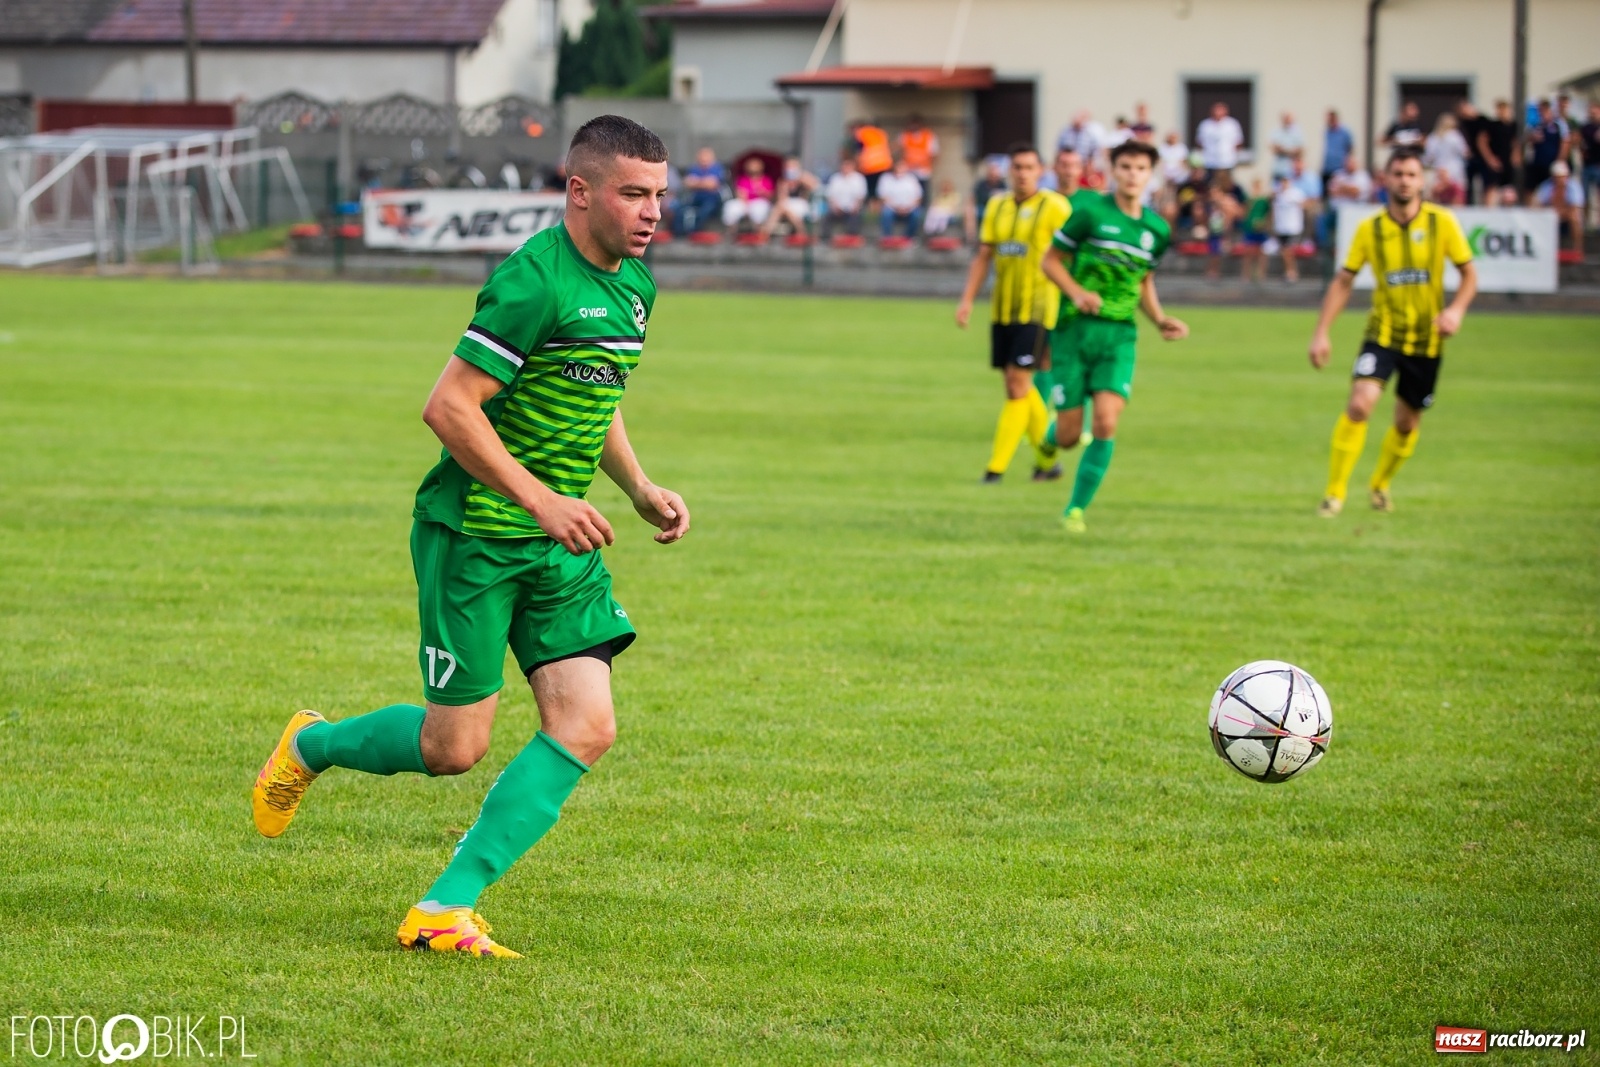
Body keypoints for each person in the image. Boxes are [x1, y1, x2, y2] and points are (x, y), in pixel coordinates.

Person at [250, 115, 690, 958]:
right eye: (634, 194)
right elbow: (449, 407)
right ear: (580, 191)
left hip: (558, 543)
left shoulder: (636, 285)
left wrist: (636, 485)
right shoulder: (532, 282)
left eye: (660, 195)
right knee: (453, 747)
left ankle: (443, 907)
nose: (652, 213)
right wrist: (542, 501)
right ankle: (310, 743)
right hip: (478, 535)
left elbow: (594, 391)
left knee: (587, 725)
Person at [1308, 145, 1478, 517]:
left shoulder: (1441, 222)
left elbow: (1469, 275)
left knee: (1406, 422)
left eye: (1412, 174)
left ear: (1422, 181)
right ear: (1385, 179)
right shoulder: (1370, 229)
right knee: (1359, 405)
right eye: (1398, 174)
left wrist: (1456, 311)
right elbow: (1343, 281)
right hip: (1382, 334)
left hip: (1426, 340)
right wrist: (1322, 332)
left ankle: (1380, 484)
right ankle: (1334, 494)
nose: (1405, 181)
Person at [1038, 140, 1187, 534]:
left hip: (1119, 335)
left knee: (1105, 422)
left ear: (1150, 175)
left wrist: (1159, 319)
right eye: (1125, 167)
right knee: (1070, 435)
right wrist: (1076, 293)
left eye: (1140, 168)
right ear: (1113, 171)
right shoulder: (1090, 213)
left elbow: (1144, 280)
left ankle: (1075, 510)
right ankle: (1050, 437)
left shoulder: (1156, 229)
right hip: (1074, 331)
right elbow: (1050, 261)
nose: (1133, 175)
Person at [955, 142, 1072, 483]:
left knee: (1017, 383)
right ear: (1009, 171)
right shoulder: (997, 205)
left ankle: (995, 469)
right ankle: (1047, 463)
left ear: (1041, 171)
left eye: (1029, 167)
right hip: (1002, 308)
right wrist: (967, 300)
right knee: (1018, 384)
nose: (1022, 174)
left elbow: (1074, 254)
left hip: (1038, 307)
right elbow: (984, 256)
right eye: (1017, 167)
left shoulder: (1055, 207)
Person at [1535, 161, 1586, 255]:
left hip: (1567, 213)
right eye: (1557, 177)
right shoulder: (1546, 186)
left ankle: (1577, 248)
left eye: (1562, 176)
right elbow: (1538, 204)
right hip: (1550, 213)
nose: (1560, 179)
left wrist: (1561, 212)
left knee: (1575, 218)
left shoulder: (1574, 186)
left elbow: (1576, 206)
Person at [762, 155, 818, 238]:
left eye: (792, 166)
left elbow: (816, 187)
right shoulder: (782, 181)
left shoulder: (804, 177)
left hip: (801, 204)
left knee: (782, 207)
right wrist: (786, 185)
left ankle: (765, 232)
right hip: (787, 205)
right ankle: (802, 232)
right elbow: (782, 199)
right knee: (782, 207)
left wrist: (801, 179)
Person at [1524, 99, 1570, 198]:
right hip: (1537, 162)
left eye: (1545, 110)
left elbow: (1565, 143)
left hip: (1552, 162)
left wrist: (1560, 160)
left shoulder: (1559, 125)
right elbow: (1527, 140)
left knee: (1552, 188)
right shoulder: (1536, 125)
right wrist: (1533, 138)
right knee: (1529, 188)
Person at [1476, 99, 1517, 199]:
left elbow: (1515, 142)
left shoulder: (1512, 125)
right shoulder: (1492, 125)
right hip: (1495, 159)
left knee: (1508, 189)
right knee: (1492, 186)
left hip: (1507, 160)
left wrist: (1515, 156)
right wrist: (1490, 159)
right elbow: (1482, 141)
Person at [677, 146, 724, 234]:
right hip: (695, 197)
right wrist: (704, 182)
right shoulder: (694, 168)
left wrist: (696, 182)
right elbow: (687, 182)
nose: (704, 159)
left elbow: (712, 184)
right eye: (702, 157)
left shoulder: (717, 168)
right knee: (679, 208)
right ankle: (679, 232)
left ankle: (695, 232)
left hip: (712, 199)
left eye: (706, 157)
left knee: (705, 211)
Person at [1271, 174, 1309, 282]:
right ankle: (1290, 272)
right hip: (1281, 227)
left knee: (1288, 251)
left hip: (1292, 227)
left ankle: (1291, 273)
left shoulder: (1295, 193)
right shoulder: (1278, 194)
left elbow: (1304, 204)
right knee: (1284, 252)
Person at [1425, 113, 1468, 204]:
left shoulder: (1433, 137)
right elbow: (1464, 152)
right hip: (1455, 170)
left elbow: (1429, 157)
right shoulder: (1455, 136)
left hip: (1439, 169)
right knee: (1457, 193)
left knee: (1439, 194)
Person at [722, 156, 775, 231]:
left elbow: (771, 196)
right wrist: (746, 204)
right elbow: (739, 193)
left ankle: (758, 231)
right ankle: (731, 230)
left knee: (759, 208)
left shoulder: (766, 180)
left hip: (760, 202)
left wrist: (763, 193)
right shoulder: (742, 179)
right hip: (744, 201)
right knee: (730, 206)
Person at [877, 157, 925, 238]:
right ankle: (887, 238)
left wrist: (908, 207)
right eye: (899, 166)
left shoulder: (912, 179)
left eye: (903, 166)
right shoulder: (886, 178)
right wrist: (897, 207)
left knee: (917, 214)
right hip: (892, 208)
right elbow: (883, 197)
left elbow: (918, 197)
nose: (901, 168)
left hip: (909, 208)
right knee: (886, 213)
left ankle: (908, 237)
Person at [898, 113, 940, 202]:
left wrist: (927, 165)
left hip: (923, 171)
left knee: (924, 194)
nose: (913, 126)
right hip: (908, 171)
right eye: (911, 123)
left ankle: (923, 210)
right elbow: (900, 151)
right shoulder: (905, 135)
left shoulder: (928, 136)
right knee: (909, 194)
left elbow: (934, 154)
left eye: (915, 123)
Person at [823, 156, 868, 237]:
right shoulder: (835, 178)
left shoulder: (859, 179)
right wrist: (835, 206)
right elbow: (831, 195)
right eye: (844, 165)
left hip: (853, 208)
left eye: (848, 165)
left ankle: (851, 237)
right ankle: (826, 238)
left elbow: (860, 196)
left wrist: (855, 206)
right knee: (827, 217)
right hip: (838, 208)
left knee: (855, 217)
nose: (845, 167)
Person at [1196, 101, 1244, 175]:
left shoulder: (1232, 124)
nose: (1218, 113)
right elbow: (1200, 143)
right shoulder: (1205, 124)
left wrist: (1236, 157)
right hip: (1209, 161)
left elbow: (1238, 142)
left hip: (1227, 161)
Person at [967, 155, 1007, 242]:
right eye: (992, 175)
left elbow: (1006, 197)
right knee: (971, 211)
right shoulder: (981, 184)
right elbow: (973, 198)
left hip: (998, 210)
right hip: (982, 209)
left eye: (996, 176)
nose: (994, 177)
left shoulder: (1002, 184)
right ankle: (973, 236)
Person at [1239, 177, 1272, 283]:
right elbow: (1245, 212)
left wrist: (1264, 224)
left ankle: (1261, 273)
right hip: (1250, 227)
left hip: (1260, 229)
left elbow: (1268, 214)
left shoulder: (1264, 200)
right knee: (1248, 252)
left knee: (1261, 252)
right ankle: (1246, 274)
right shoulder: (1250, 199)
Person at [852, 120, 893, 202]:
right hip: (884, 164)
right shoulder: (880, 133)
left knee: (871, 191)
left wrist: (857, 165)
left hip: (869, 167)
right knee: (880, 190)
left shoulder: (861, 133)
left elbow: (859, 151)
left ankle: (872, 205)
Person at [1321, 110, 1354, 196]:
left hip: (1339, 167)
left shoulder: (1345, 131)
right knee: (1326, 192)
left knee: (1338, 192)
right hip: (1328, 167)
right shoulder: (1328, 131)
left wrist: (1347, 162)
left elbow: (1350, 147)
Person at [1270, 111, 1304, 181]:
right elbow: (1274, 148)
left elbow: (1300, 150)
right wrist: (1290, 150)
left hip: (1291, 170)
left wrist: (1283, 150)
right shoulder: (1277, 132)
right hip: (1278, 169)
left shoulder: (1297, 132)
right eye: (1286, 119)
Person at [1581, 102, 1600, 227]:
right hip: (1587, 165)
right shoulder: (1586, 128)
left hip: (1598, 165)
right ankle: (1586, 223)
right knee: (1585, 197)